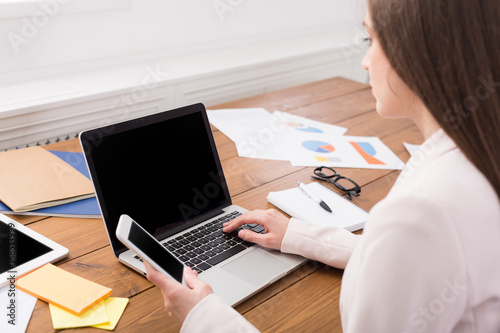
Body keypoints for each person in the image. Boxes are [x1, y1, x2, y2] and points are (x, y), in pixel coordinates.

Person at [145, 0, 500, 331]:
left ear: (422, 52)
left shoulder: (420, 211)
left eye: (371, 38)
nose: (364, 61)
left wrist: (202, 316)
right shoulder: (475, 158)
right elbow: (413, 264)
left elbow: (409, 247)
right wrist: (296, 235)